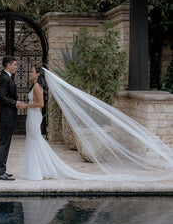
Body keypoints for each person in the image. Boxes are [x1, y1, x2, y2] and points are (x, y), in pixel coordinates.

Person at [19, 66, 173, 182]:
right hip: (32, 117)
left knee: (36, 140)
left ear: (38, 74)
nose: (30, 73)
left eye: (32, 71)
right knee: (35, 141)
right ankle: (39, 169)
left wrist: (25, 106)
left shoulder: (37, 87)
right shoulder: (35, 86)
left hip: (34, 116)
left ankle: (37, 171)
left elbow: (40, 104)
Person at [0, 55, 24, 181]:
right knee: (3, 143)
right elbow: (1, 97)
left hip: (8, 115)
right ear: (8, 65)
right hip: (6, 115)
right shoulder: (4, 78)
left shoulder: (8, 77)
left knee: (5, 143)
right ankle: (0, 171)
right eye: (15, 65)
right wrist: (15, 103)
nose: (16, 67)